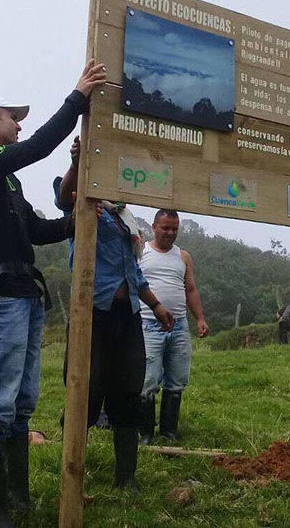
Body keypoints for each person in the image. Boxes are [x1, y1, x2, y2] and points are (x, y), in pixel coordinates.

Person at [0, 60, 106, 528]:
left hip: (22, 291)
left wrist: (80, 220)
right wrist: (76, 98)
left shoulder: (8, 180)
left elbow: (37, 230)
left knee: (22, 400)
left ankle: (17, 499)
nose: (20, 123)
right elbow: (38, 147)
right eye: (12, 116)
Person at [54, 138, 174, 493]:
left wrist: (155, 304)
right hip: (92, 312)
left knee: (128, 390)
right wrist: (77, 164)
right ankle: (72, 467)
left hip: (128, 315)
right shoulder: (86, 203)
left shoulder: (125, 216)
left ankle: (126, 477)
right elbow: (64, 200)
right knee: (85, 389)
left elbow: (133, 272)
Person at [137, 209, 209, 445]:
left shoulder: (184, 256)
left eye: (174, 229)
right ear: (154, 227)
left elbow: (191, 290)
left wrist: (199, 319)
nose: (170, 233)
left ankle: (169, 432)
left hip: (178, 326)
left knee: (177, 379)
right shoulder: (141, 252)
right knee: (148, 380)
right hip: (148, 324)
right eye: (165, 227)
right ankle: (145, 433)